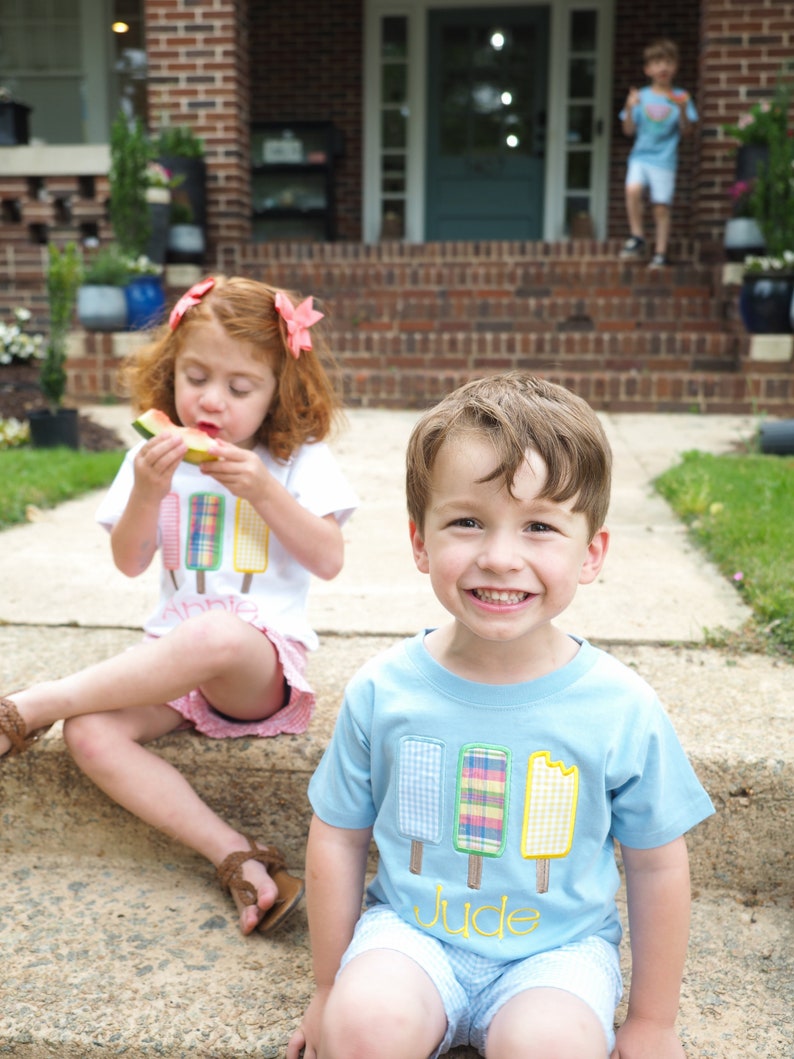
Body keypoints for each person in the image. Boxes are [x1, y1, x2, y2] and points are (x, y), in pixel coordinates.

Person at [287, 372, 714, 1059]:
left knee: (551, 1045)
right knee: (361, 1027)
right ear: (419, 541)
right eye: (467, 521)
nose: (500, 556)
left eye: (540, 526)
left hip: (557, 953)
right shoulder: (384, 690)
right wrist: (327, 987)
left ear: (591, 553)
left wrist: (652, 1022)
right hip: (411, 935)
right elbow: (338, 837)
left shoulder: (620, 706)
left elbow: (657, 866)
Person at [0, 275, 358, 937]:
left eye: (240, 387)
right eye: (195, 377)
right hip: (174, 667)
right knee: (91, 733)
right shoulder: (151, 455)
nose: (211, 400)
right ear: (170, 374)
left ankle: (34, 703)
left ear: (282, 389)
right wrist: (146, 489)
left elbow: (329, 558)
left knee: (217, 630)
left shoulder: (296, 459)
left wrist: (266, 493)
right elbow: (131, 560)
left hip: (257, 667)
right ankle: (239, 856)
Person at [619, 38, 697, 269]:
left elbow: (688, 132)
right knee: (632, 189)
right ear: (648, 69)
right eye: (657, 62)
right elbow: (628, 130)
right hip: (640, 156)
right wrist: (630, 108)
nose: (663, 67)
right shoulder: (640, 97)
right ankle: (638, 236)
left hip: (664, 160)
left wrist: (683, 111)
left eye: (668, 62)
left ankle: (660, 253)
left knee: (661, 206)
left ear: (676, 66)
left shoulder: (681, 98)